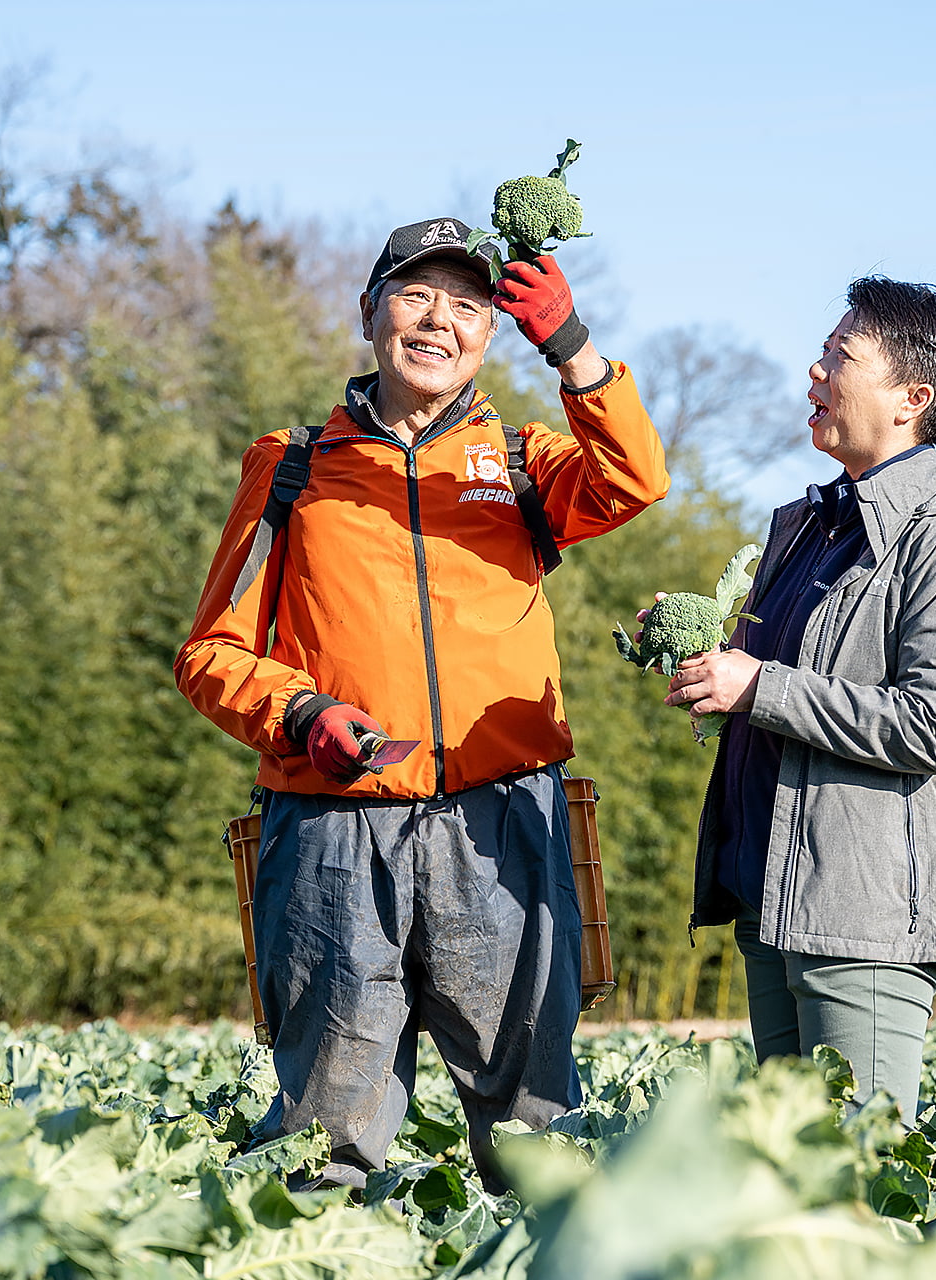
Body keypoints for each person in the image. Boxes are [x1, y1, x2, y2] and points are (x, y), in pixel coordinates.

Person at [176, 217, 667, 1189]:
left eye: (468, 305)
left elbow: (634, 480)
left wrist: (573, 347)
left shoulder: (523, 462)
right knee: (324, 1134)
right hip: (331, 826)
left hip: (504, 822)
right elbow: (211, 653)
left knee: (536, 1130)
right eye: (415, 295)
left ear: (492, 333)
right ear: (370, 313)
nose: (439, 319)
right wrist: (301, 715)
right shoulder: (291, 464)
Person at [659, 275, 936, 1122]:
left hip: (863, 922)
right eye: (822, 353)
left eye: (840, 357)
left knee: (860, 1175)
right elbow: (780, 687)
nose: (815, 372)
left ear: (912, 399)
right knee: (794, 1174)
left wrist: (760, 685)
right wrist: (706, 656)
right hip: (772, 905)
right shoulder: (815, 530)